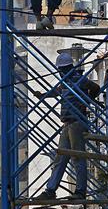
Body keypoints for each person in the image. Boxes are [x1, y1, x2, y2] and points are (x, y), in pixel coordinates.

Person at [36, 52, 101, 200]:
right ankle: (51, 190)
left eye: (60, 70)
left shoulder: (78, 79)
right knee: (60, 157)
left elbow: (95, 87)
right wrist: (43, 95)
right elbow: (56, 92)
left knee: (78, 157)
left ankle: (80, 191)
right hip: (67, 123)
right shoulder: (65, 82)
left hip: (77, 122)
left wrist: (86, 101)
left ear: (64, 69)